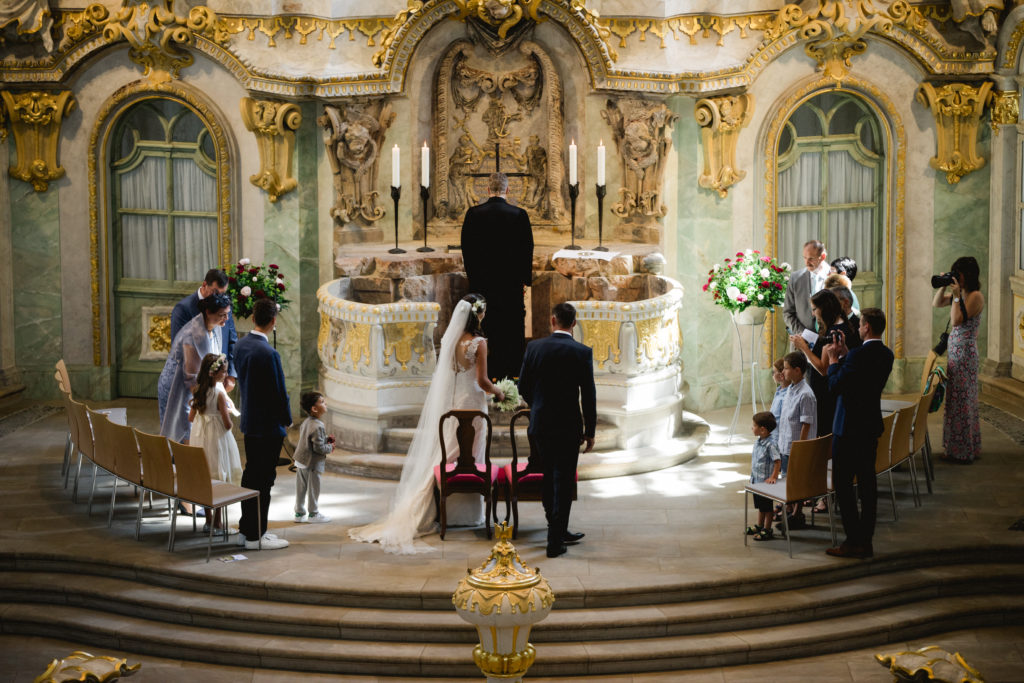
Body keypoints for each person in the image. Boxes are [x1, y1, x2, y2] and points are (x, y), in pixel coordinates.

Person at [349, 294, 506, 554]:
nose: (484, 316)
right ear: (477, 314)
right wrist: (501, 393)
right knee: (473, 455)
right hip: (473, 404)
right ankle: (466, 515)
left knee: (449, 454)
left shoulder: (451, 340)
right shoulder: (479, 343)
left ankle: (444, 512)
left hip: (453, 402)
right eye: (483, 312)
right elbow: (482, 381)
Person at [518, 302, 597, 558]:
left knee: (549, 476)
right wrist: (590, 430)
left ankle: (558, 530)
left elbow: (523, 387)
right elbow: (589, 396)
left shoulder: (534, 347)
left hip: (540, 424)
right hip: (568, 425)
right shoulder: (582, 352)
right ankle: (555, 538)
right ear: (574, 323)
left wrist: (538, 405)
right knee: (563, 480)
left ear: (553, 321)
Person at [823, 307, 895, 559]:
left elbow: (835, 386)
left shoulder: (856, 357)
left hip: (848, 429)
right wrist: (845, 355)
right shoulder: (887, 355)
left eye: (861, 324)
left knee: (843, 486)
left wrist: (833, 362)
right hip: (869, 427)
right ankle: (866, 540)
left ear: (865, 327)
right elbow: (860, 378)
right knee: (867, 485)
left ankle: (853, 540)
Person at [460, 172, 534, 382]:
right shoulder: (519, 215)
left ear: (487, 189)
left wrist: (473, 280)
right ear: (507, 190)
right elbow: (526, 249)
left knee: (486, 325)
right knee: (511, 326)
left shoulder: (474, 214)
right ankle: (512, 372)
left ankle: (487, 373)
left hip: (483, 285)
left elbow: (468, 249)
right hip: (510, 285)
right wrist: (524, 281)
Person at [235, 298, 292, 551]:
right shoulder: (269, 353)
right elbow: (279, 392)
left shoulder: (241, 345)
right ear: (272, 322)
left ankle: (246, 529)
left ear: (253, 318)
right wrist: (287, 419)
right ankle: (257, 535)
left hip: (250, 422)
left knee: (250, 476)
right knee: (264, 481)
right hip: (268, 427)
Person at [157, 293, 233, 443]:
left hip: (199, 385)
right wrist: (209, 400)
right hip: (179, 386)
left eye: (227, 314)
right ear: (208, 312)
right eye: (222, 315)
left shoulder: (215, 326)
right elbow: (191, 377)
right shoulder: (192, 336)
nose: (226, 319)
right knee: (185, 429)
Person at [932, 256, 985, 464]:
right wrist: (943, 285)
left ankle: (963, 451)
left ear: (968, 276)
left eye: (958, 274)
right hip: (957, 351)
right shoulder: (961, 293)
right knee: (955, 401)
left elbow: (956, 320)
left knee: (962, 402)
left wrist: (955, 297)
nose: (957, 278)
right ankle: (956, 447)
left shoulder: (975, 296)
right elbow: (936, 303)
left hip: (965, 354)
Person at [790, 289, 861, 437]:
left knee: (824, 433)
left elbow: (823, 369)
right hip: (836, 388)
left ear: (825, 308)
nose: (813, 313)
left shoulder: (833, 331)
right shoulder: (843, 324)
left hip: (826, 393)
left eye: (815, 309)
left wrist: (803, 347)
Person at [188, 352, 242, 532]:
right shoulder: (219, 394)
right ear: (213, 373)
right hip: (217, 437)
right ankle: (218, 522)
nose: (226, 375)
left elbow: (190, 417)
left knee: (207, 473)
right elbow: (227, 425)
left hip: (199, 435)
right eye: (224, 372)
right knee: (219, 473)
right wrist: (226, 412)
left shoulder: (197, 390)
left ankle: (208, 520)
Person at [171, 269, 237, 392]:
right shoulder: (183, 309)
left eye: (223, 293)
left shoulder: (224, 306)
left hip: (219, 381)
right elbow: (178, 351)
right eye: (215, 292)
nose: (219, 297)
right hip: (190, 384)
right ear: (204, 285)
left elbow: (232, 340)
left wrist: (231, 375)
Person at [776, 351, 816, 529]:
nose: (783, 372)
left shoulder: (806, 394)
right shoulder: (791, 388)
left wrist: (800, 448)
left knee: (798, 481)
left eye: (786, 369)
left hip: (796, 447)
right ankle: (791, 512)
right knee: (787, 479)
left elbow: (806, 423)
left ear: (798, 370)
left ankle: (796, 514)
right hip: (785, 444)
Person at [293, 391, 334, 524]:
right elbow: (319, 448)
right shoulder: (318, 426)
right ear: (314, 408)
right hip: (312, 463)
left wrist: (326, 440)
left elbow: (308, 440)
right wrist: (331, 447)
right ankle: (313, 514)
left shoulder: (306, 422)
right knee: (313, 489)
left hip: (300, 460)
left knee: (301, 488)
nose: (325, 403)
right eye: (322, 402)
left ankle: (299, 513)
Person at [746, 411, 782, 542]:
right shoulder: (759, 441)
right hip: (757, 481)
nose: (752, 427)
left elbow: (777, 461)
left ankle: (767, 529)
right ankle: (760, 526)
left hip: (765, 483)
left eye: (754, 425)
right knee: (760, 506)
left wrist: (774, 476)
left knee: (767, 508)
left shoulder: (770, 444)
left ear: (762, 429)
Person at [783, 240, 830, 336]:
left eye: (811, 259)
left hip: (828, 342)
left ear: (823, 257)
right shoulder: (795, 278)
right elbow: (788, 313)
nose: (807, 263)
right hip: (801, 341)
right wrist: (806, 336)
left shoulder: (834, 277)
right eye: (805, 258)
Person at [769, 357, 789, 446]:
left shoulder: (787, 395)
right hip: (772, 434)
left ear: (781, 375)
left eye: (773, 372)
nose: (772, 375)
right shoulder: (779, 390)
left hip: (778, 438)